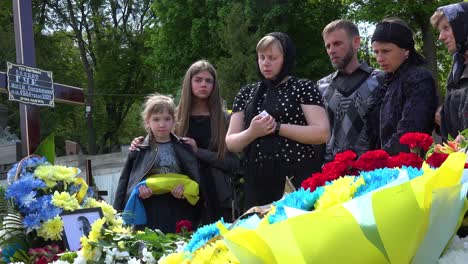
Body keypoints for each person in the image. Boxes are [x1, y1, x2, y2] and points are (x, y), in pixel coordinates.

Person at [226, 32, 330, 210]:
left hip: (297, 177)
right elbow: (231, 143)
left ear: (286, 58)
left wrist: (278, 128)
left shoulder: (303, 87)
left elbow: (322, 133)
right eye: (262, 57)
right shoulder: (246, 93)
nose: (266, 63)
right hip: (257, 182)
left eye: (273, 57)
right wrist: (252, 132)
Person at [130, 60, 240, 223]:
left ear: (215, 85)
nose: (203, 84)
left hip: (217, 196)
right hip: (180, 199)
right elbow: (157, 154)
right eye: (198, 80)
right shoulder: (172, 118)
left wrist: (198, 152)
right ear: (189, 82)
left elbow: (234, 164)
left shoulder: (225, 119)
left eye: (208, 80)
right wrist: (140, 142)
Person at [114, 94, 201, 233]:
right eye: (156, 119)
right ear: (148, 122)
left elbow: (196, 181)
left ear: (174, 121)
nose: (162, 124)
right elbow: (125, 182)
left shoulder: (184, 147)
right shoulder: (139, 149)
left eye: (167, 119)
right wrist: (117, 214)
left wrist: (185, 193)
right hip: (149, 211)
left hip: (179, 210)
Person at [369, 18, 439, 155]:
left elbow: (409, 133)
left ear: (406, 50)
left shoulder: (419, 79)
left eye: (386, 51)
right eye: (376, 52)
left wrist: (379, 160)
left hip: (410, 168)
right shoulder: (384, 82)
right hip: (385, 168)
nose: (379, 58)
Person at [318, 19, 382, 161]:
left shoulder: (381, 80)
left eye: (337, 43)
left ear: (356, 42)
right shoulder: (322, 87)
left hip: (374, 172)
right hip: (332, 174)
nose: (331, 50)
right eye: (327, 46)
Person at [430, 2, 468, 140]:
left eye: (446, 28)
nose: (441, 36)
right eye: (440, 30)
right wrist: (442, 115)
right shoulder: (457, 68)